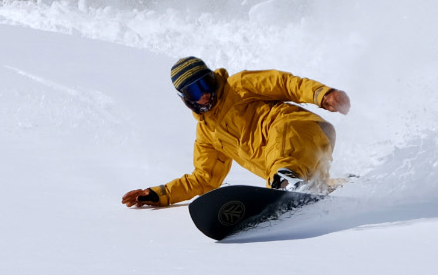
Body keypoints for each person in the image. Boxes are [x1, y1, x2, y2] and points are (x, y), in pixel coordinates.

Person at [121, 56, 350, 209]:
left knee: (281, 142)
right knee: (309, 181)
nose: (204, 94)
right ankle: (332, 186)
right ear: (184, 99)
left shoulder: (238, 86)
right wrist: (157, 194)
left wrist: (323, 94)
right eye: (194, 91)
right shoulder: (207, 134)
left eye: (206, 83)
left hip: (301, 128)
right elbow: (204, 178)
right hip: (302, 158)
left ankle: (286, 183)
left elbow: (286, 83)